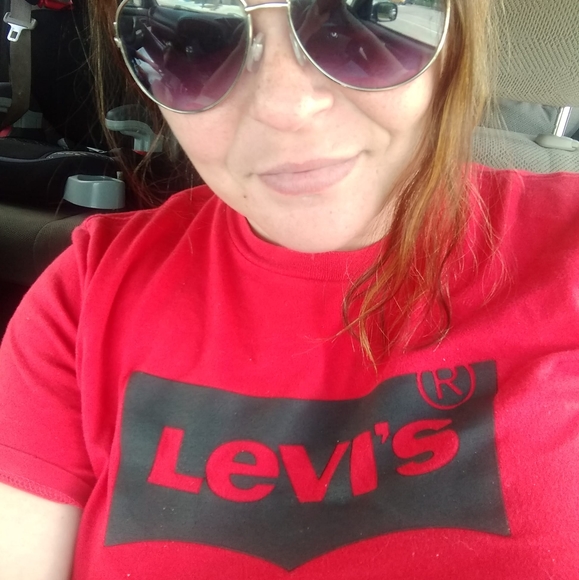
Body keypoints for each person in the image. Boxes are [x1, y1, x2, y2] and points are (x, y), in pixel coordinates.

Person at [1, 0, 578, 578]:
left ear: (457, 34)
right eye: (198, 41)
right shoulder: (84, 296)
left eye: (355, 14)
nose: (286, 107)